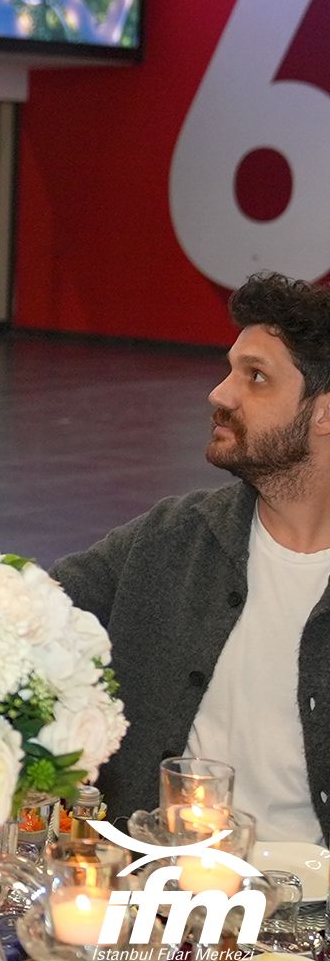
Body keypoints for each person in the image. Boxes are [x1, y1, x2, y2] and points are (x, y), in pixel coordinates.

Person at [52, 272, 330, 843]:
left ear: (324, 413)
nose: (220, 394)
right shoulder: (174, 537)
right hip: (158, 884)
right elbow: (28, 613)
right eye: (230, 370)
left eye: (255, 377)